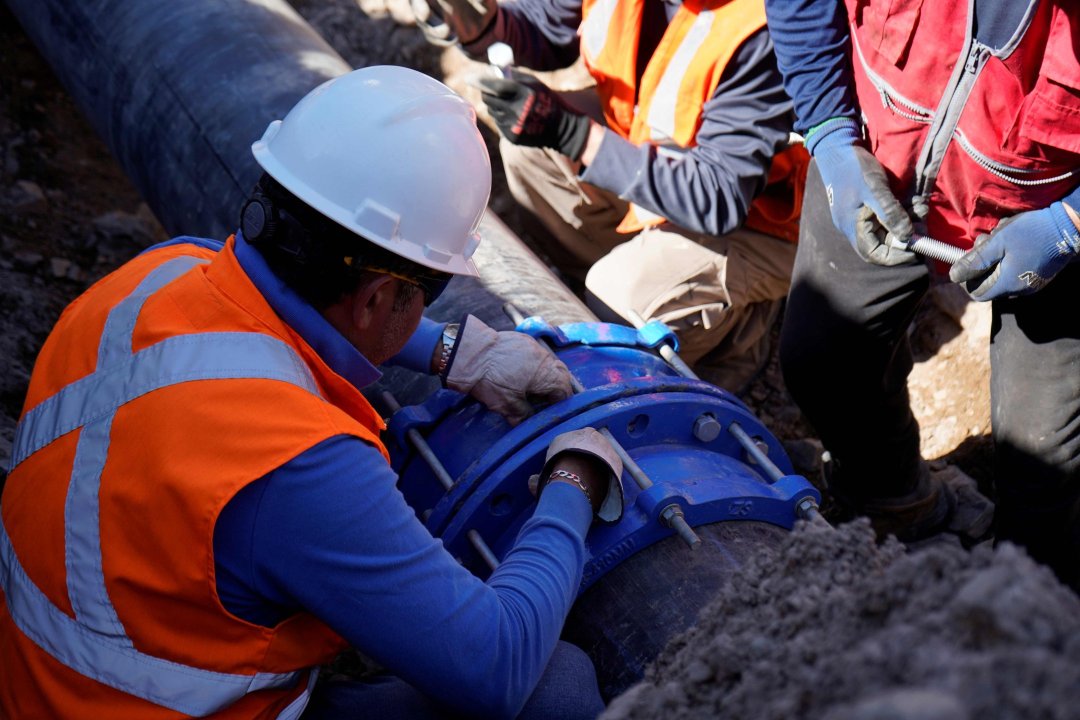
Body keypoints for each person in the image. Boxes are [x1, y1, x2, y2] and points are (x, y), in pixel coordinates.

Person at [0, 65, 625, 719]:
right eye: (427, 294)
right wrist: (574, 483)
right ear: (378, 297)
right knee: (558, 692)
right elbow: (497, 667)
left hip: (53, 686)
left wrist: (456, 351)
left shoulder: (157, 275)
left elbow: (277, 308)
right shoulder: (293, 463)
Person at [764, 0, 1080, 586]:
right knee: (824, 358)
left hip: (1054, 214)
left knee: (1045, 463)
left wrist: (1070, 224)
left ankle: (1025, 604)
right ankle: (898, 502)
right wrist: (828, 130)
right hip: (880, 157)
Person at [419, 0, 808, 392]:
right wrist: (485, 24)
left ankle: (734, 336)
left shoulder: (763, 24)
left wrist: (576, 135)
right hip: (657, 146)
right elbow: (550, 27)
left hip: (767, 218)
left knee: (621, 297)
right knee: (531, 155)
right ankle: (636, 288)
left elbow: (718, 196)